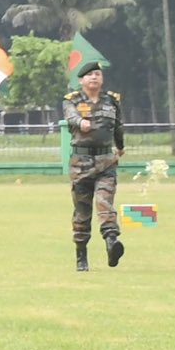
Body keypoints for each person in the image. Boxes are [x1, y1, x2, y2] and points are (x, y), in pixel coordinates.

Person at [63, 62, 127, 271]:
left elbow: (118, 126)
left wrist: (120, 146)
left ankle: (111, 241)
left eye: (97, 74)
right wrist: (81, 123)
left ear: (102, 79)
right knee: (82, 211)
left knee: (104, 201)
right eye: (89, 75)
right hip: (81, 163)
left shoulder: (112, 101)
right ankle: (81, 256)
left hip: (106, 161)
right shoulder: (72, 100)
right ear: (81, 80)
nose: (94, 78)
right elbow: (71, 117)